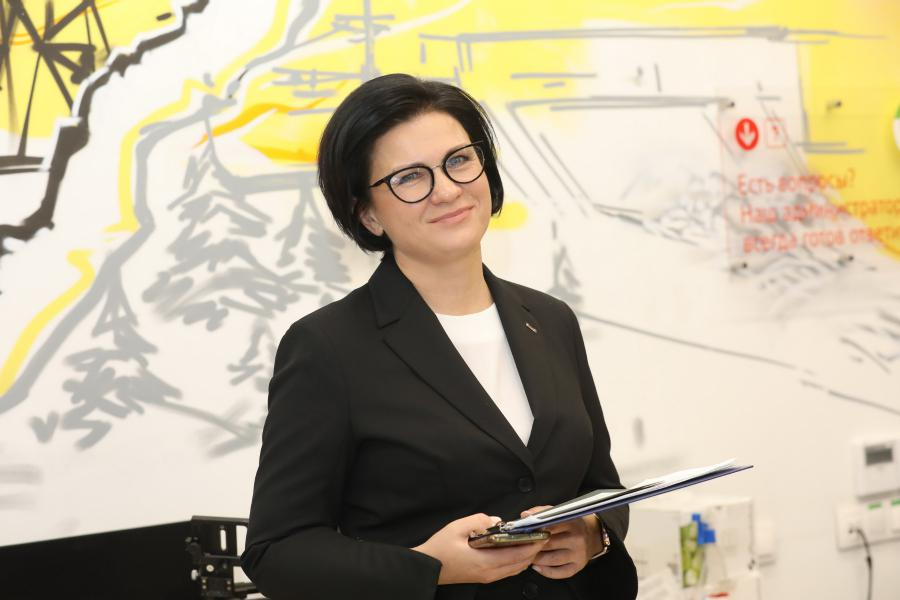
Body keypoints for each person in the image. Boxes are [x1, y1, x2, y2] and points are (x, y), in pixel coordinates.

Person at [241, 73, 638, 600]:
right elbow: (277, 553)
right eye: (410, 177)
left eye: (459, 160)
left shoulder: (550, 319)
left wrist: (592, 533)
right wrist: (427, 568)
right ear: (367, 213)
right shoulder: (328, 347)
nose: (448, 190)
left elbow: (600, 486)